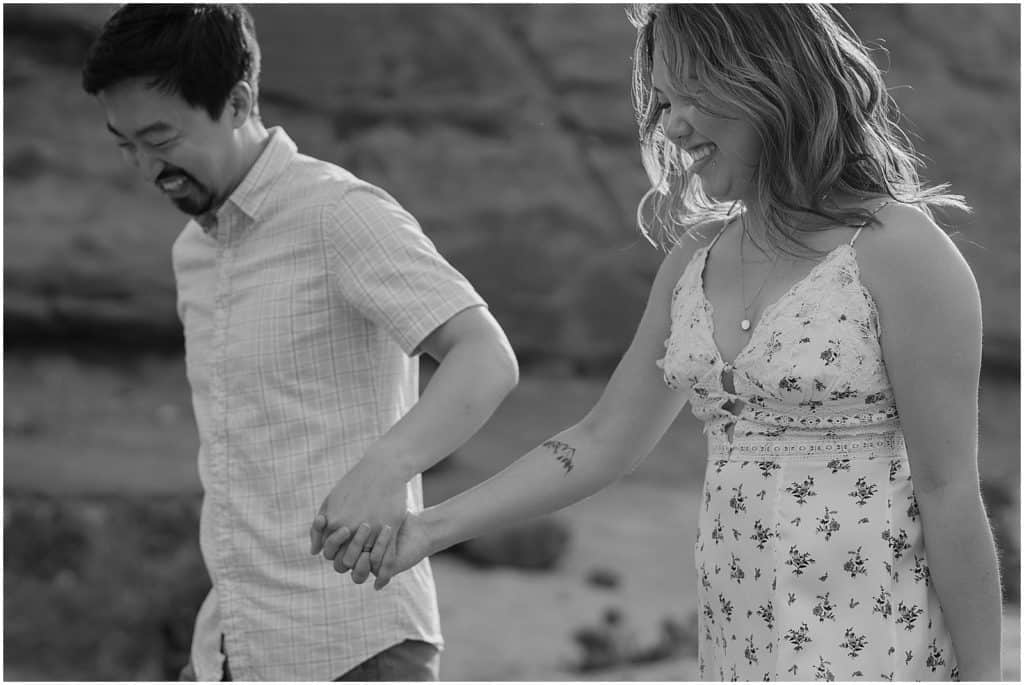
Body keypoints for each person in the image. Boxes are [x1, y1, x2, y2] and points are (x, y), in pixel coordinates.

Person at [321, 4, 1003, 682]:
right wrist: (427, 529)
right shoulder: (694, 260)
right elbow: (600, 439)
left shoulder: (904, 254)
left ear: (764, 78)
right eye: (664, 103)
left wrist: (985, 676)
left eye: (690, 97)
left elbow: (949, 494)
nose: (671, 126)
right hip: (740, 654)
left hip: (879, 652)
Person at [81, 4, 518, 681]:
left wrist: (387, 466)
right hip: (230, 644)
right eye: (125, 143)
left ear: (238, 101)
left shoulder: (340, 213)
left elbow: (485, 355)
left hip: (357, 645)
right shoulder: (190, 253)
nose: (145, 167)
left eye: (161, 137)